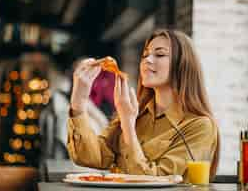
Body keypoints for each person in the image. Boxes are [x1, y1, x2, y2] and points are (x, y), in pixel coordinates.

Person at [67, 29, 219, 181]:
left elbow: (157, 183)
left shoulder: (200, 126)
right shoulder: (136, 113)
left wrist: (127, 124)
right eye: (145, 55)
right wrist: (78, 102)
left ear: (182, 64)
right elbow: (90, 157)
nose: (147, 60)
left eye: (159, 54)